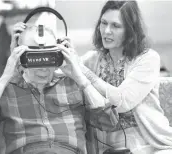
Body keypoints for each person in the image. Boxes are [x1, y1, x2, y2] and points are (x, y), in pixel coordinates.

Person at [0, 17, 115, 154]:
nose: (43, 68)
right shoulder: (4, 89)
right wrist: (6, 76)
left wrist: (80, 77)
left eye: (49, 57)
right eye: (34, 58)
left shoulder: (74, 84)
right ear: (19, 56)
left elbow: (109, 121)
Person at [56, 0, 172, 154]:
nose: (106, 31)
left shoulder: (148, 59)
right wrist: (64, 55)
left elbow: (122, 101)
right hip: (104, 148)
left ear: (131, 30)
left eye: (116, 26)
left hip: (150, 145)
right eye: (103, 23)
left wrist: (81, 68)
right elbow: (51, 75)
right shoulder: (92, 59)